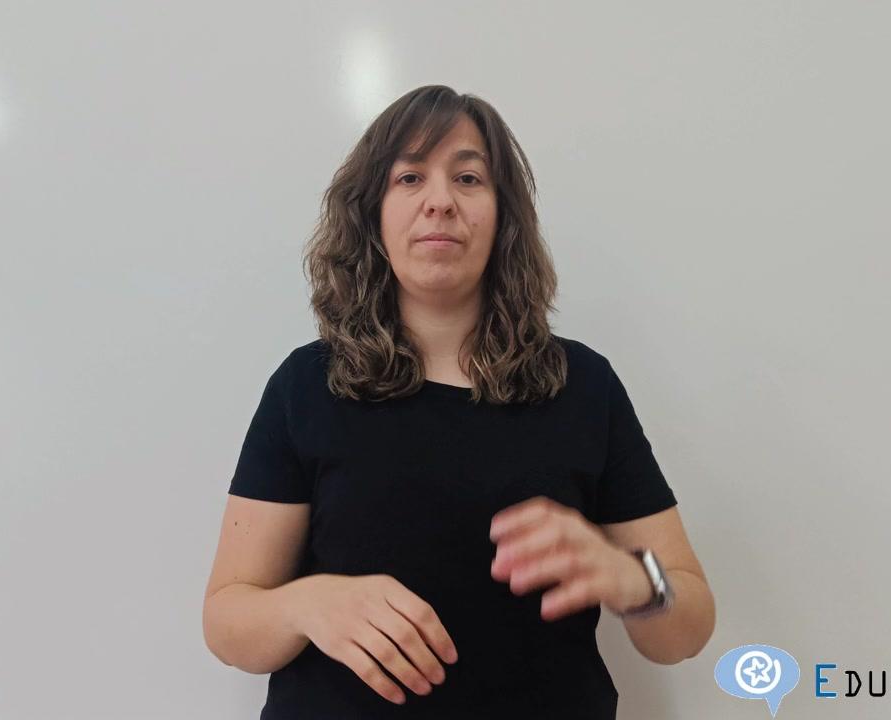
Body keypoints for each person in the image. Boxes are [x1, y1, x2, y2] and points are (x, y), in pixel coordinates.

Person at [203, 84, 715, 719]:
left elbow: (688, 625)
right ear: (373, 214)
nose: (440, 201)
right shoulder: (305, 386)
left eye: (468, 178)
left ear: (503, 217)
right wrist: (306, 604)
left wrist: (634, 579)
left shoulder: (583, 385)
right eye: (410, 177)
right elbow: (227, 619)